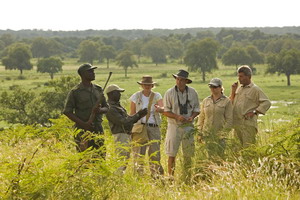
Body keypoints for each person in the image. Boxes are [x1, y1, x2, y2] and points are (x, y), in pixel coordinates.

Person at [159, 69, 200, 178]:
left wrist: (192, 117)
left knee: (188, 154)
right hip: (174, 126)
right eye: (177, 79)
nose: (179, 82)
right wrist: (177, 117)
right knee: (171, 154)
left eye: (182, 80)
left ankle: (187, 176)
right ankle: (171, 177)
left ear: (186, 81)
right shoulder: (169, 93)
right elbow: (166, 111)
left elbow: (197, 109)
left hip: (188, 126)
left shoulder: (193, 92)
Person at [63, 63, 108, 154]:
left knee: (100, 156)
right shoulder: (75, 92)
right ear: (83, 74)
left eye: (93, 71)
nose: (93, 73)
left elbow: (107, 107)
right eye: (90, 71)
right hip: (82, 130)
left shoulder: (98, 89)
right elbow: (67, 111)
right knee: (84, 158)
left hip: (98, 128)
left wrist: (100, 110)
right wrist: (84, 124)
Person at [105, 84, 148, 172]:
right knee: (121, 160)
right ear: (112, 94)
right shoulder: (111, 108)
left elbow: (128, 120)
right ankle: (117, 179)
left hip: (125, 135)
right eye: (118, 93)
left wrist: (138, 115)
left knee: (125, 160)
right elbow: (124, 122)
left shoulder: (117, 106)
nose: (120, 95)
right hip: (120, 135)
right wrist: (138, 115)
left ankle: (119, 179)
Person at [129, 75, 164, 177]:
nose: (147, 86)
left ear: (152, 86)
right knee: (139, 153)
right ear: (141, 85)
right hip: (140, 127)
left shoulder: (157, 95)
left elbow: (162, 106)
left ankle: (156, 175)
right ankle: (139, 176)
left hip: (154, 127)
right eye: (145, 84)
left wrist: (160, 109)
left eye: (149, 85)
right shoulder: (136, 96)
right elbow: (132, 113)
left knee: (155, 153)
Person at [230, 65, 271, 147]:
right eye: (238, 76)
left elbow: (266, 102)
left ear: (248, 76)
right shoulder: (239, 88)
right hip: (237, 124)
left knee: (248, 149)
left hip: (247, 124)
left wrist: (254, 112)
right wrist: (233, 91)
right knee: (236, 149)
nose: (239, 78)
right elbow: (231, 102)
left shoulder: (255, 89)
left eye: (241, 76)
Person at [198, 78, 233, 159]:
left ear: (221, 88)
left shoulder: (226, 101)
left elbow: (229, 120)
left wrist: (223, 134)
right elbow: (201, 117)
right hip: (207, 135)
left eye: (215, 87)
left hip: (220, 136)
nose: (213, 89)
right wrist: (200, 132)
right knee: (209, 157)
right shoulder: (206, 101)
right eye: (211, 87)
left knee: (220, 157)